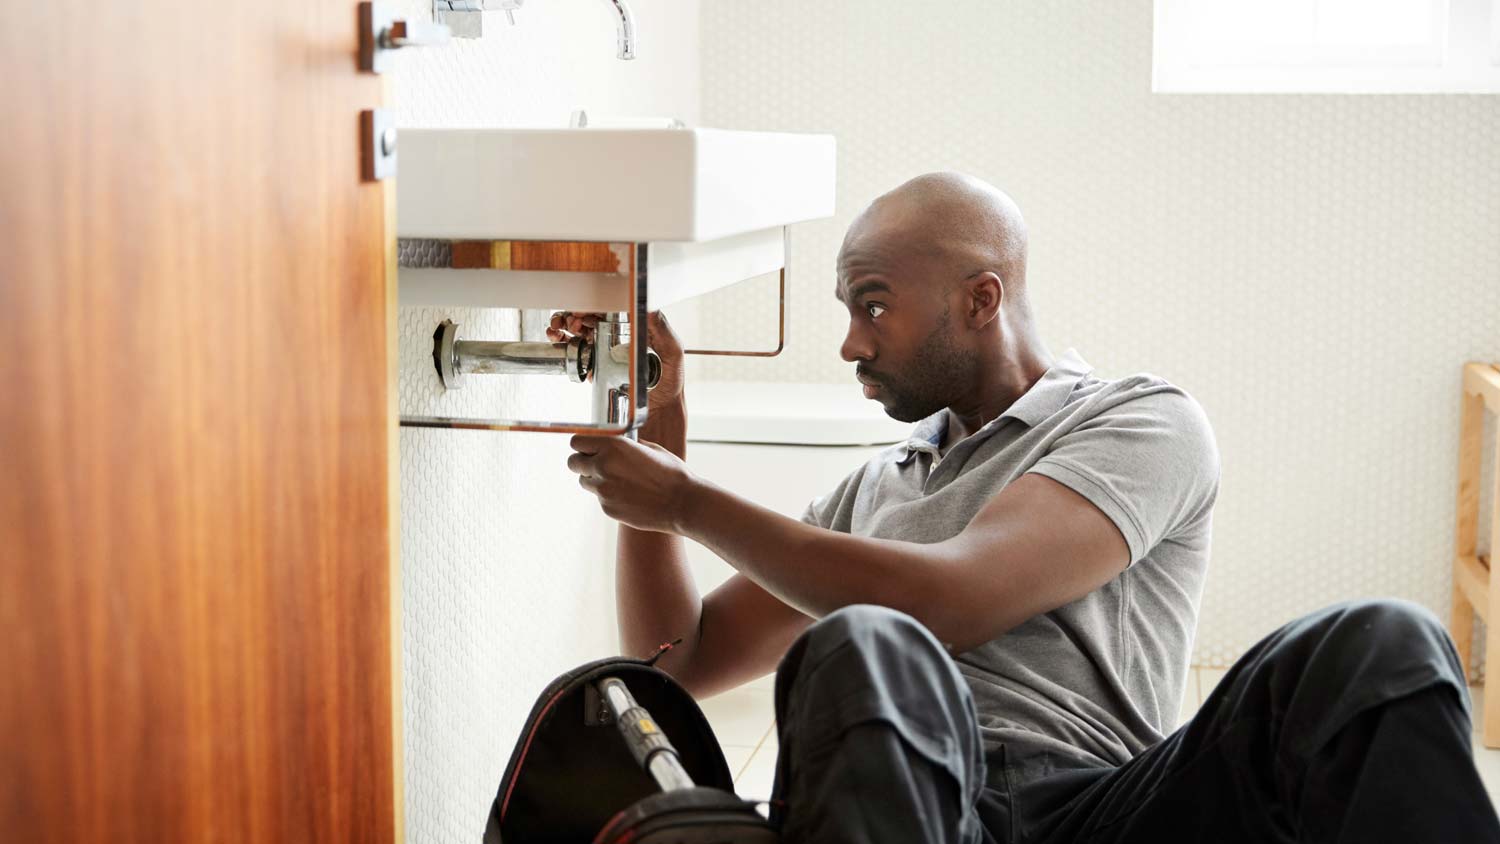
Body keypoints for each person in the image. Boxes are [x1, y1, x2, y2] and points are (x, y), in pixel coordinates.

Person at [556, 172, 1499, 843]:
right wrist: (661, 446)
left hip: (1106, 807)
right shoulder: (870, 491)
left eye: (873, 305)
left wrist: (686, 501)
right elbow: (672, 664)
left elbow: (952, 600)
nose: (850, 343)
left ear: (981, 299)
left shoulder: (1140, 421)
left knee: (1382, 642)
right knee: (859, 645)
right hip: (917, 806)